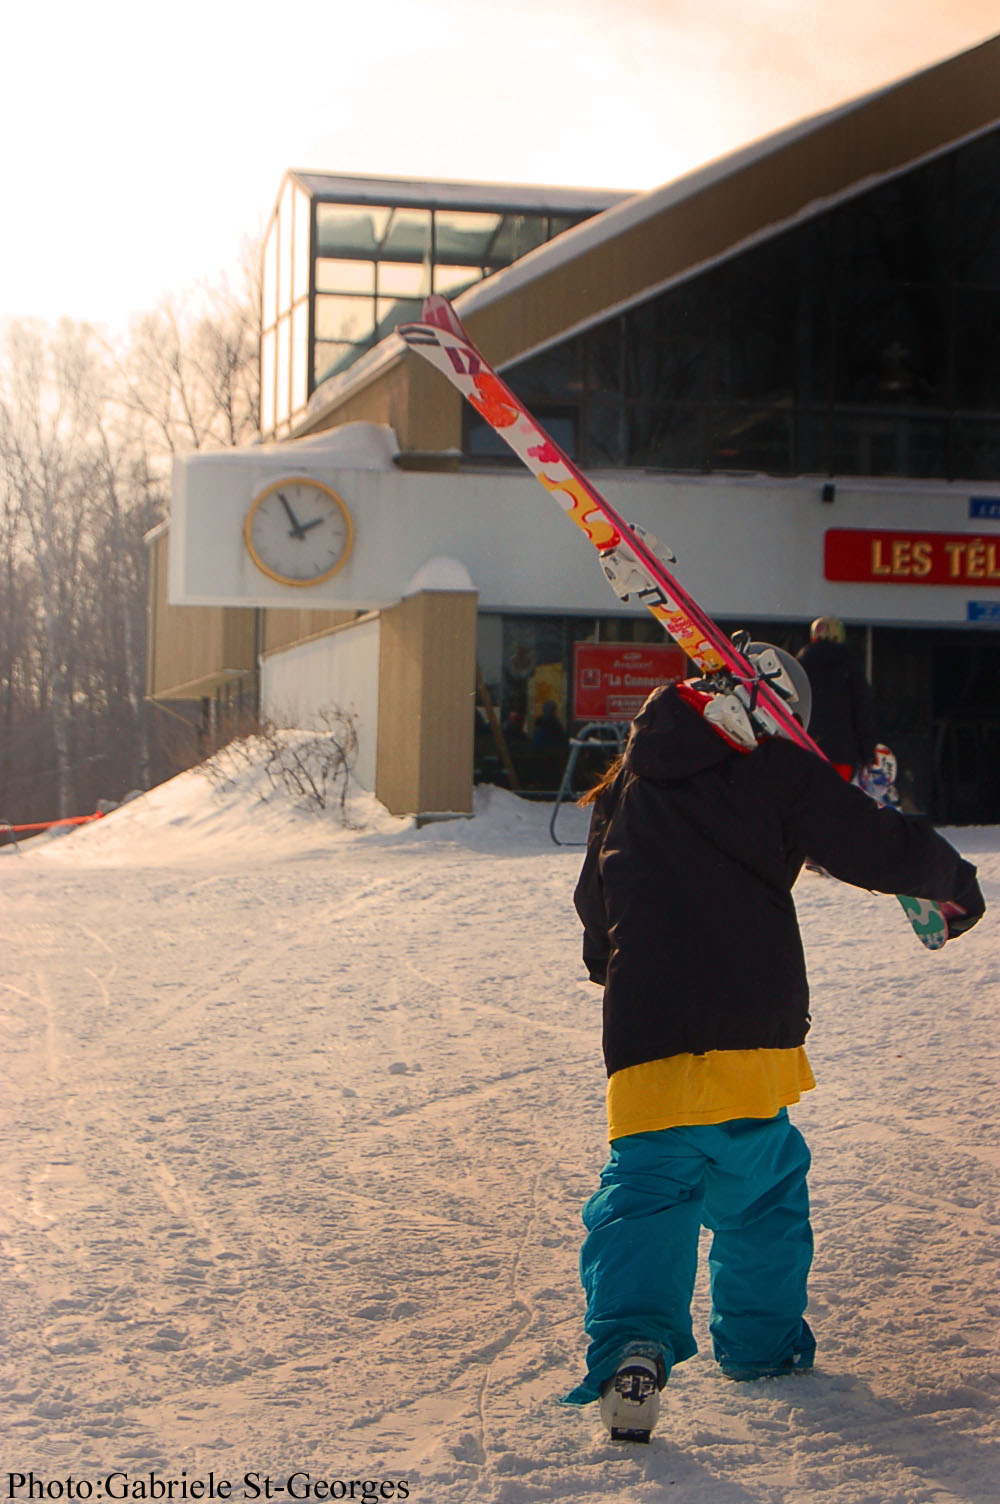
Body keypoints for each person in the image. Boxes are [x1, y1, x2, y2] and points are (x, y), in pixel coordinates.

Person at [562, 648, 984, 1443]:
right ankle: (762, 1349)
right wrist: (953, 882)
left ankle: (631, 1350)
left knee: (645, 1196)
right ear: (781, 714)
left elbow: (596, 895)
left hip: (645, 1036)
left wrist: (608, 965)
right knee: (761, 1199)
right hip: (747, 1028)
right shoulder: (778, 769)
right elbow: (870, 840)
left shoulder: (630, 777)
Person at [796, 617, 876, 779]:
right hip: (842, 753)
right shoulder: (850, 667)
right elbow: (863, 711)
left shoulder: (799, 667)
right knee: (837, 799)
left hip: (806, 749)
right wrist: (867, 752)